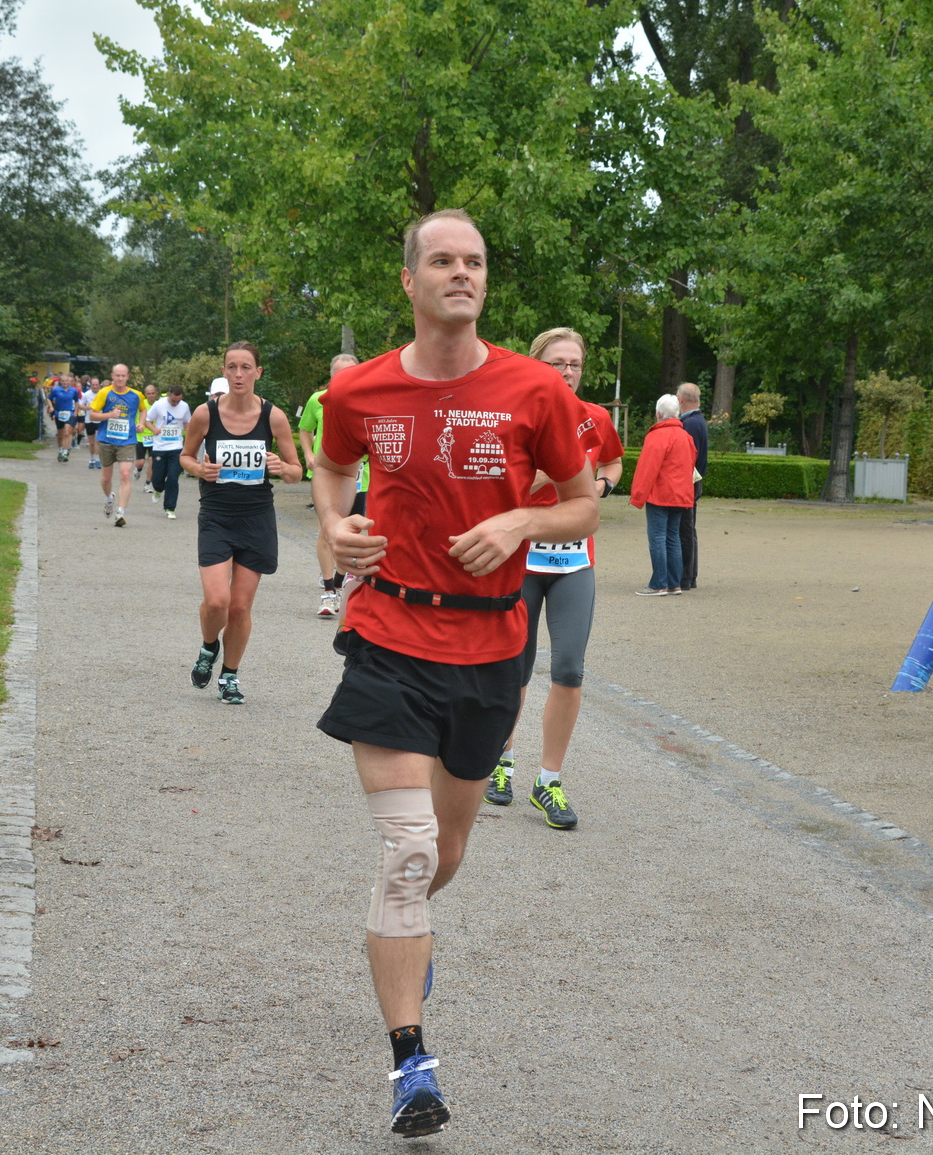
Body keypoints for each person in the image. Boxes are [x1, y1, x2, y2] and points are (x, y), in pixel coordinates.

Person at [311, 209, 596, 1137]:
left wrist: (520, 522)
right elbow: (332, 462)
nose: (461, 272)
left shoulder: (534, 391)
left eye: (474, 260)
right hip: (390, 633)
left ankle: (402, 929)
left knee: (446, 852)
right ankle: (411, 1065)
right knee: (406, 852)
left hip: (490, 647)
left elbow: (585, 506)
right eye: (443, 259)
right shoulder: (362, 388)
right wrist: (337, 525)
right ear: (410, 279)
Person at [484, 326, 623, 828]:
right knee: (513, 670)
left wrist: (601, 485)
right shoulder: (515, 417)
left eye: (575, 364)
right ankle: (501, 763)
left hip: (573, 562)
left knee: (569, 670)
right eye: (557, 363)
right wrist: (539, 477)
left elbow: (612, 459)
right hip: (521, 560)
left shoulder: (595, 417)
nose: (567, 372)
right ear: (537, 364)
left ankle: (550, 781)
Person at [180, 342, 303, 703]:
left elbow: (298, 471)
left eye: (246, 367)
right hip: (217, 516)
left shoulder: (273, 417)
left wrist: (282, 468)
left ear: (257, 373)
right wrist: (200, 469)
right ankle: (207, 648)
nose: (238, 374)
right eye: (232, 367)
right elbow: (186, 457)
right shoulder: (206, 414)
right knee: (217, 601)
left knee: (239, 607)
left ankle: (229, 677)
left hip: (256, 519)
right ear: (224, 371)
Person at [297, 353, 362, 616]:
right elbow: (304, 429)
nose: (344, 379)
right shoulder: (318, 400)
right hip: (328, 474)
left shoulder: (369, 400)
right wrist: (310, 456)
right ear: (331, 376)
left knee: (353, 534)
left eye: (351, 374)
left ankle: (340, 578)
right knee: (327, 530)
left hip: (362, 475)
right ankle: (329, 591)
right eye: (339, 374)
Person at [629, 393, 696, 596]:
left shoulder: (656, 436)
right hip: (680, 495)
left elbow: (647, 469)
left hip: (659, 494)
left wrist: (637, 496)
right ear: (676, 414)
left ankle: (659, 583)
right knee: (673, 537)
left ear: (658, 414)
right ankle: (674, 583)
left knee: (657, 538)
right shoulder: (686, 437)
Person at [89, 364, 146, 528]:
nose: (120, 378)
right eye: (117, 375)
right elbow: (92, 414)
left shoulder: (136, 395)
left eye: (123, 376)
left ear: (128, 377)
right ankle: (109, 498)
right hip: (107, 440)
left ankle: (120, 512)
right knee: (106, 478)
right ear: (112, 376)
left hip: (127, 440)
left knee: (125, 474)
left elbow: (143, 410)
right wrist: (109, 415)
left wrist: (141, 424)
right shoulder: (104, 393)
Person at [676, 382, 708, 590]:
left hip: (688, 482)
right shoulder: (697, 421)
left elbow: (688, 457)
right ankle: (690, 576)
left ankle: (686, 577)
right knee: (688, 529)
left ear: (681, 400)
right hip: (694, 481)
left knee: (685, 529)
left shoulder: (691, 424)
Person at [144, 384, 191, 517]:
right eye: (173, 400)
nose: (176, 403)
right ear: (168, 395)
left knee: (173, 477)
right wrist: (154, 430)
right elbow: (148, 420)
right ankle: (158, 489)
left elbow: (187, 421)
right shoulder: (159, 404)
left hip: (176, 447)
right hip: (159, 447)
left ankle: (170, 508)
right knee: (157, 478)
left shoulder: (184, 406)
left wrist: (188, 431)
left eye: (178, 401)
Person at [47, 375, 82, 462]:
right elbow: (49, 398)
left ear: (69, 382)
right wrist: (51, 407)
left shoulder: (73, 391)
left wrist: (76, 411)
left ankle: (66, 451)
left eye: (66, 381)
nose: (65, 382)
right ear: (60, 382)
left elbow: (77, 401)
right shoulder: (56, 390)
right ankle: (60, 450)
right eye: (63, 381)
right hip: (59, 413)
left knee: (67, 432)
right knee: (60, 434)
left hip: (69, 413)